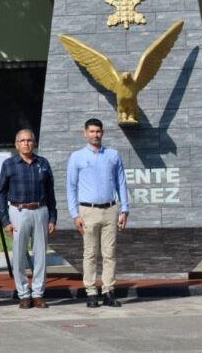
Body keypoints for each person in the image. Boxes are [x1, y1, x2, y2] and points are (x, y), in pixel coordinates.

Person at [66, 118, 129, 308]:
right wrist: (74, 214)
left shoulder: (113, 155)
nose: (95, 135)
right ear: (85, 133)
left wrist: (124, 208)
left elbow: (121, 183)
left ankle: (108, 291)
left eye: (98, 131)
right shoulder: (77, 157)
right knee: (90, 254)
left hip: (110, 209)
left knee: (109, 254)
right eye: (92, 131)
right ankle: (91, 292)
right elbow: (71, 186)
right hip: (88, 210)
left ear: (103, 133)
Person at [0, 129, 57, 309]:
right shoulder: (9, 164)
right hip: (18, 211)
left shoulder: (43, 163)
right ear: (16, 144)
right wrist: (5, 221)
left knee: (40, 256)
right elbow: (0, 195)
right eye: (22, 141)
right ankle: (23, 294)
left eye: (29, 140)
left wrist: (52, 217)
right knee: (19, 255)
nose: (26, 143)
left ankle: (38, 294)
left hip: (41, 210)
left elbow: (51, 193)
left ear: (34, 143)